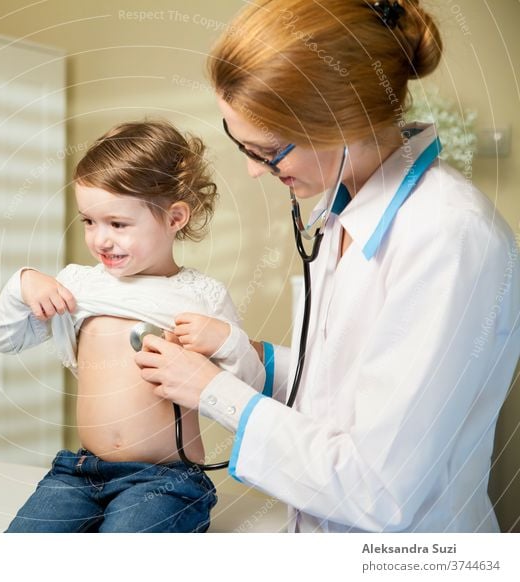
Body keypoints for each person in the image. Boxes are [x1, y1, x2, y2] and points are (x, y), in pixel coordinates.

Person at [134, 0, 520, 532]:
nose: (252, 171)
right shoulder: (344, 214)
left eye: (269, 151)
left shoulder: (448, 239)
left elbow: (379, 490)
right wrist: (247, 357)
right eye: (241, 144)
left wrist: (211, 392)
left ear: (346, 122)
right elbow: (348, 395)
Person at [0, 120, 260, 532]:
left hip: (164, 479)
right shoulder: (79, 284)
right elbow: (6, 339)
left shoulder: (201, 295)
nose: (100, 239)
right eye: (89, 222)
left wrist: (226, 341)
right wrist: (22, 284)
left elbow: (246, 392)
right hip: (80, 472)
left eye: (117, 224)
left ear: (174, 217)